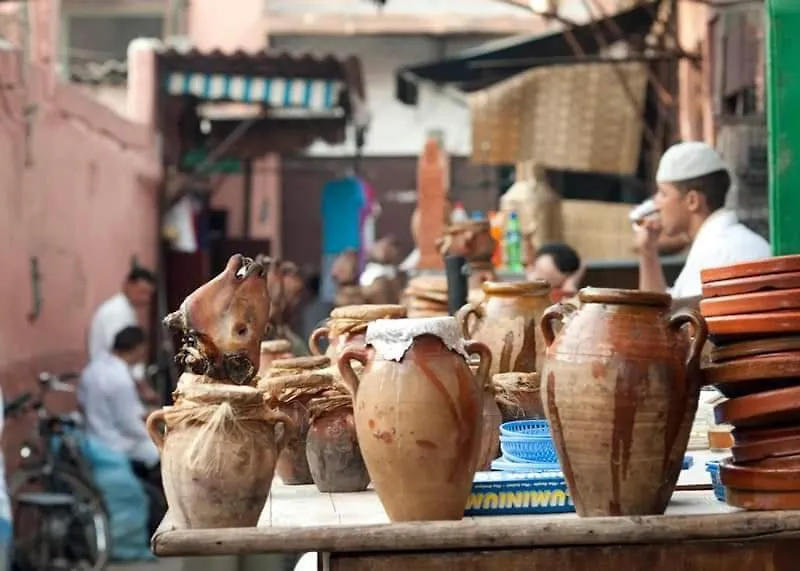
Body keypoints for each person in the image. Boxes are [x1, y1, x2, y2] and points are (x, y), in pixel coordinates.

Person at [635, 141, 771, 305]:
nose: (656, 203)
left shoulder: (719, 252)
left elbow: (668, 323)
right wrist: (648, 251)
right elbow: (662, 314)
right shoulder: (723, 242)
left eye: (663, 194)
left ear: (692, 201)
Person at [79, 326, 164, 533]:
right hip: (117, 443)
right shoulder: (120, 378)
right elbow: (129, 424)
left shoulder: (92, 369)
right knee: (163, 453)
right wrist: (159, 436)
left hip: (94, 438)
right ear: (137, 349)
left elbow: (82, 404)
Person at [87, 267, 159, 404]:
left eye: (149, 294)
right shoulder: (116, 312)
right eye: (142, 292)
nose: (146, 299)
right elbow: (124, 351)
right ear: (128, 285)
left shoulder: (126, 310)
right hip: (109, 382)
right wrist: (143, 387)